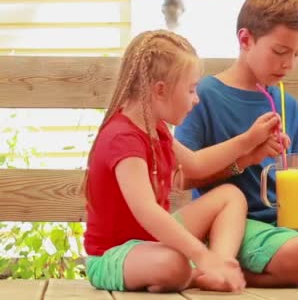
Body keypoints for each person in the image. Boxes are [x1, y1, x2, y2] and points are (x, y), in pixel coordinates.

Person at [175, 0, 298, 287]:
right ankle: (213, 270)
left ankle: (286, 269)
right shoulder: (204, 97)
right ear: (245, 39)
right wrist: (246, 157)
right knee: (296, 255)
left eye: (297, 54)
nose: (289, 65)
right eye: (280, 52)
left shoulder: (288, 104)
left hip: (287, 224)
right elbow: (183, 177)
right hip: (233, 227)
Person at [83, 30, 281, 293]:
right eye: (190, 89)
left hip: (151, 242)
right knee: (172, 265)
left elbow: (196, 164)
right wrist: (201, 255)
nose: (196, 99)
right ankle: (202, 270)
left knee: (231, 195)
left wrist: (248, 141)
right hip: (113, 255)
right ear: (160, 90)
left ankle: (220, 265)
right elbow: (147, 212)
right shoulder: (123, 138)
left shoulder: (158, 129)